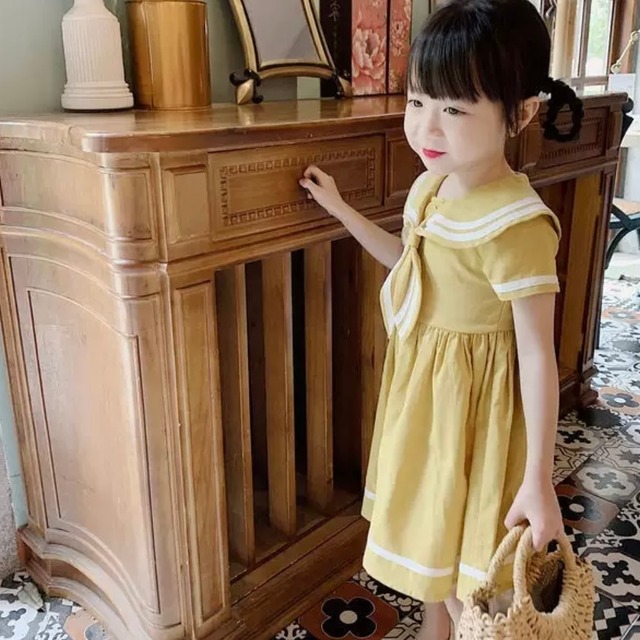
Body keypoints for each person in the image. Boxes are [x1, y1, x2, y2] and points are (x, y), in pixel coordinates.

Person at [299, 0, 584, 638]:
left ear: (521, 113)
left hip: (478, 415)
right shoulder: (432, 187)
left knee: (470, 576)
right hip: (426, 402)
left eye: (455, 109)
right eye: (417, 100)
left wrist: (539, 480)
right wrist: (342, 211)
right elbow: (411, 262)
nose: (427, 125)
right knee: (437, 542)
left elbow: (537, 354)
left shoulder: (516, 224)